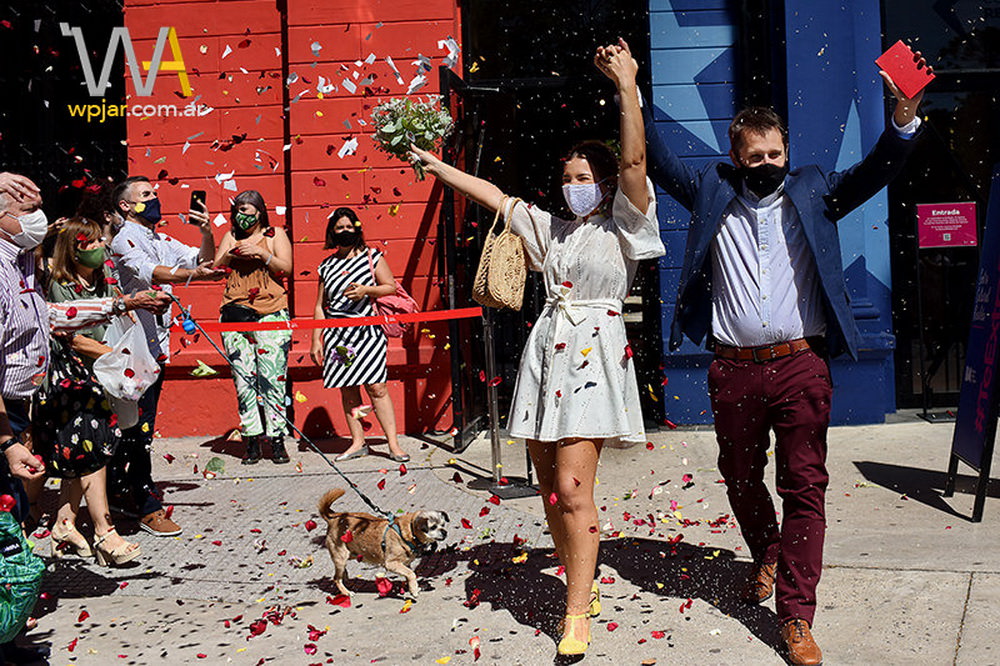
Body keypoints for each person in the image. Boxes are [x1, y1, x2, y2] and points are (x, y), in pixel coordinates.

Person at [640, 38, 932, 665]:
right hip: (734, 368)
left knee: (805, 485)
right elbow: (657, 160)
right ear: (735, 157)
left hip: (801, 364)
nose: (767, 162)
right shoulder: (712, 191)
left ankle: (796, 617)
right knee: (740, 478)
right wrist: (630, 89)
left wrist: (902, 120)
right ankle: (768, 548)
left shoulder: (815, 189)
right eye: (755, 156)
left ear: (788, 153)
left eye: (776, 153)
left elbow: (878, 170)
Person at [410, 40, 663, 656]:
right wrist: (434, 165)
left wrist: (626, 87)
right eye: (567, 178)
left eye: (584, 179)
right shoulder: (552, 228)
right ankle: (581, 573)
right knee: (551, 487)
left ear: (603, 185)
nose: (573, 187)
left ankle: (577, 610)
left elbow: (633, 163)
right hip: (546, 353)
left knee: (576, 488)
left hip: (594, 355)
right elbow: (494, 195)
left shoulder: (626, 223)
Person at [0, 174, 169, 662]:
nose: (34, 218)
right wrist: (8, 440)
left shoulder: (20, 265)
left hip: (17, 406)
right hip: (13, 410)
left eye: (37, 208)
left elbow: (50, 317)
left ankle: (10, 622)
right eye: (20, 208)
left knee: (17, 507)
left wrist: (125, 302)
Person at [107, 176, 224, 536]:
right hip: (131, 349)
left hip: (155, 347)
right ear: (126, 206)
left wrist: (206, 233)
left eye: (154, 193)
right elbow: (153, 272)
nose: (154, 199)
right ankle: (145, 503)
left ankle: (115, 489)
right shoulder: (124, 238)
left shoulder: (158, 238)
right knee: (137, 428)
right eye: (145, 195)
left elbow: (198, 258)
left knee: (138, 427)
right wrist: (194, 276)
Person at [36, 216, 141, 566]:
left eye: (100, 241)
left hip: (99, 376)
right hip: (71, 380)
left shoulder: (105, 282)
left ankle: (65, 523)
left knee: (85, 452)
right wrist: (122, 357)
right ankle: (104, 533)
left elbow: (120, 321)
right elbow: (75, 338)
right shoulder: (59, 285)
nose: (99, 247)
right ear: (73, 250)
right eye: (90, 243)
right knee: (91, 450)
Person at [309, 207, 410, 463]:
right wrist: (315, 340)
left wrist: (366, 290)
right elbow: (321, 305)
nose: (345, 232)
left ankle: (393, 444)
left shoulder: (372, 257)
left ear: (357, 228)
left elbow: (389, 287)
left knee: (377, 387)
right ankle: (357, 442)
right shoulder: (326, 265)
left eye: (349, 227)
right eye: (339, 228)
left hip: (368, 332)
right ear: (332, 232)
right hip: (338, 336)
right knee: (348, 389)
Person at [212, 190, 293, 464]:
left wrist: (260, 252)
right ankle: (251, 439)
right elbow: (216, 265)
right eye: (238, 210)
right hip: (235, 311)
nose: (241, 216)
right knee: (243, 379)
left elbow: (287, 267)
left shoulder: (275, 234)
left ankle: (277, 438)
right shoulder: (232, 235)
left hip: (271, 311)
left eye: (247, 210)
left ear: (260, 212)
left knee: (272, 378)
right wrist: (231, 252)